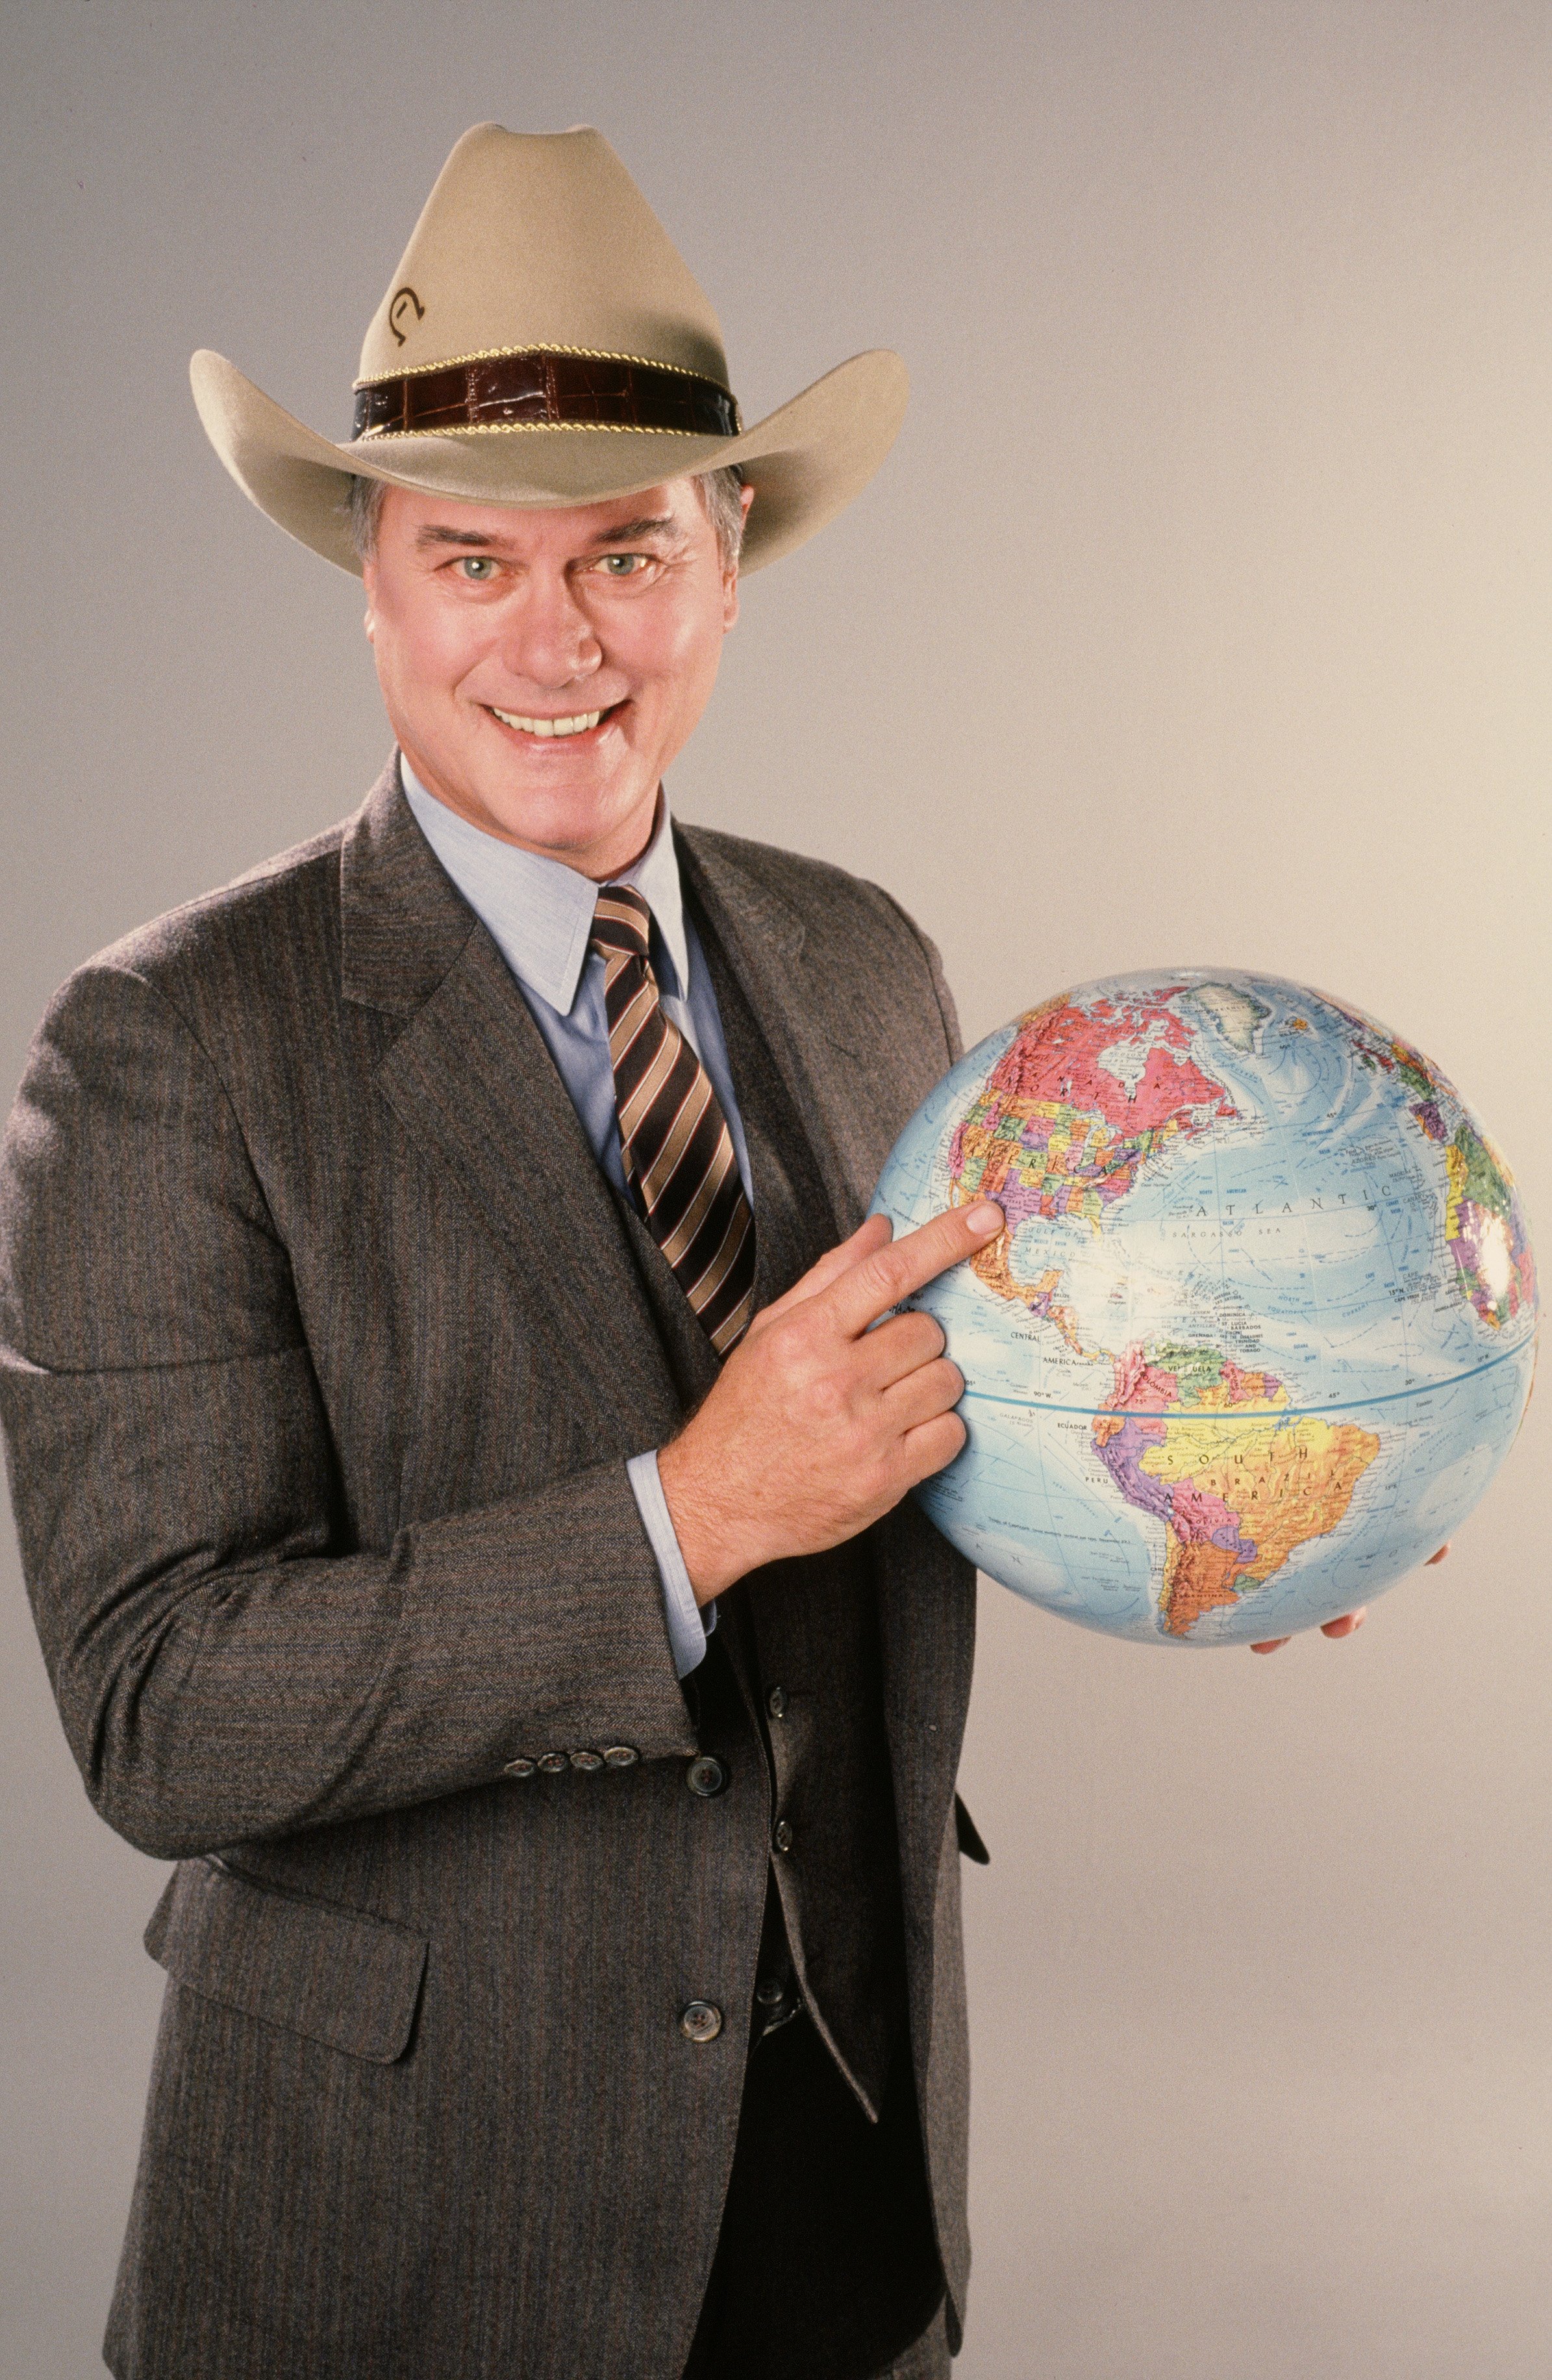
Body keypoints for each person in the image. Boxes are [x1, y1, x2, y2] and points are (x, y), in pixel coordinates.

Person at [0, 123, 1382, 2380]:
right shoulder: (167, 1044)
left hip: (843, 2184)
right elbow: (161, 1706)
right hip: (421, 2218)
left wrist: (1252, 1491)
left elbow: (953, 1428)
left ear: (731, 560)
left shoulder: (861, 960)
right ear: (374, 575)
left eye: (628, 551)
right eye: (474, 560)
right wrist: (684, 1520)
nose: (558, 642)